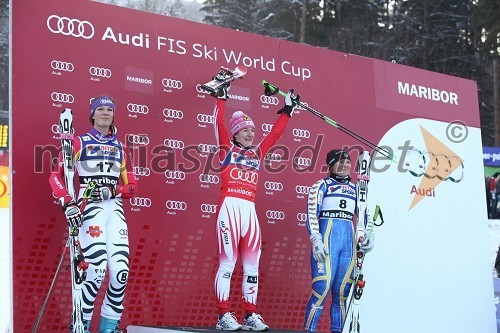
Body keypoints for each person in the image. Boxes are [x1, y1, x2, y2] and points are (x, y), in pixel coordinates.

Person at [210, 71, 299, 331]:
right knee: (228, 263)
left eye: (251, 130)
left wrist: (288, 111)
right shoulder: (227, 149)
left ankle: (250, 315)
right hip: (230, 208)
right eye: (245, 131)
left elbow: (275, 135)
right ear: (236, 135)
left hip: (250, 212)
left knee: (252, 266)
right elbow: (220, 124)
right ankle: (223, 317)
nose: (249, 134)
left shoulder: (258, 153)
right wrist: (221, 98)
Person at [49, 96, 138, 333]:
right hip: (90, 208)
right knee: (96, 270)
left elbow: (132, 187)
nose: (105, 113)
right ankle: (82, 325)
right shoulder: (79, 143)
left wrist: (114, 190)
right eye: (100, 109)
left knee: (120, 272)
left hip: (115, 210)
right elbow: (56, 176)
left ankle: (108, 328)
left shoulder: (121, 148)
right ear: (92, 114)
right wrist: (68, 202)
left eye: (110, 109)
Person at [303, 149, 374, 333]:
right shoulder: (322, 185)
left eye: (348, 162)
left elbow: (366, 216)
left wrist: (369, 235)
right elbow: (312, 214)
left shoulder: (357, 190)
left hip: (348, 246)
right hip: (327, 243)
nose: (345, 165)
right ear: (331, 165)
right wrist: (316, 239)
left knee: (342, 295)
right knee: (321, 289)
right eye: (340, 162)